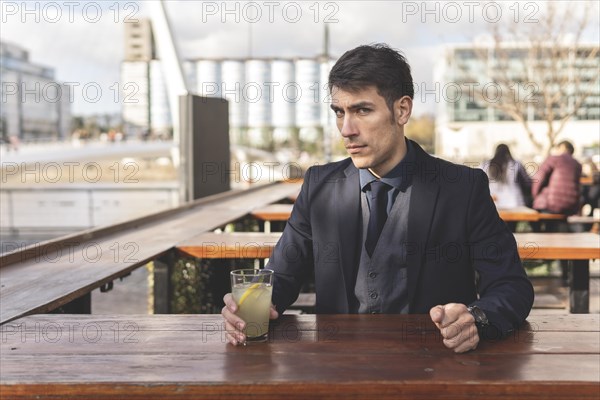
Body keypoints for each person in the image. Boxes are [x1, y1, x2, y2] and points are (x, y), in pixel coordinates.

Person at [222, 44, 534, 353]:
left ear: (402, 110)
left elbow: (512, 286)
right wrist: (252, 303)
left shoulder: (462, 188)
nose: (346, 129)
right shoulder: (318, 186)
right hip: (337, 370)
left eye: (362, 110)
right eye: (339, 113)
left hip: (436, 370)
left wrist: (476, 319)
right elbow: (281, 275)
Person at [532, 140, 582, 216]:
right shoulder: (577, 165)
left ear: (562, 147)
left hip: (549, 205)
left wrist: (535, 195)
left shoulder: (554, 159)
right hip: (571, 207)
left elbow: (539, 178)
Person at [481, 144, 532, 209]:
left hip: (494, 203)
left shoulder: (486, 165)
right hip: (515, 203)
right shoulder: (515, 164)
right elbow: (527, 182)